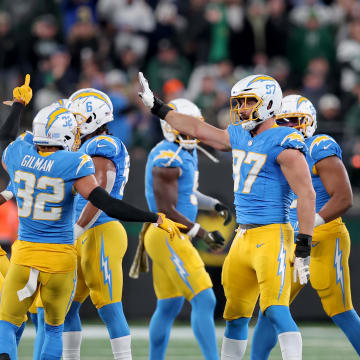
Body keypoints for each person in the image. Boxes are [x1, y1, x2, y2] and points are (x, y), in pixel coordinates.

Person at [138, 72, 316, 360]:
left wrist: (304, 244)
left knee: (275, 311)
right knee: (234, 315)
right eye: (240, 102)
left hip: (272, 234)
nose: (242, 108)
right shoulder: (239, 134)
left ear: (270, 103)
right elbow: (197, 128)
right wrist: (158, 107)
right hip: (243, 237)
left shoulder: (285, 140)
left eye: (249, 101)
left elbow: (307, 194)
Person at [0, 103, 183, 360]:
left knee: (6, 325)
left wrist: (19, 106)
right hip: (60, 260)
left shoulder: (18, 154)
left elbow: (5, 137)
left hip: (25, 255)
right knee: (54, 329)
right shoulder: (74, 163)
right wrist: (153, 217)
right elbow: (106, 203)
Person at [250, 95, 360, 359]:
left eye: (295, 121)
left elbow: (344, 199)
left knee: (340, 308)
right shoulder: (276, 149)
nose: (290, 126)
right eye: (283, 121)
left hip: (324, 235)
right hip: (289, 239)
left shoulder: (318, 146)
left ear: (310, 122)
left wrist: (309, 227)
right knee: (272, 307)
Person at [136, 98, 231, 360]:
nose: (190, 133)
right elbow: (167, 208)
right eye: (184, 128)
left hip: (169, 234)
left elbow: (186, 193)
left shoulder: (182, 151)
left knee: (169, 305)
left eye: (193, 127)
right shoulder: (168, 157)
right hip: (168, 233)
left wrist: (213, 204)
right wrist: (202, 233)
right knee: (205, 298)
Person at [61, 88, 132, 360]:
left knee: (109, 306)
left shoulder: (102, 145)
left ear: (93, 118)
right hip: (82, 230)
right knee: (66, 307)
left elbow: (101, 192)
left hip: (100, 229)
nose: (73, 123)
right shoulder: (84, 145)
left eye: (77, 117)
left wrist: (76, 229)